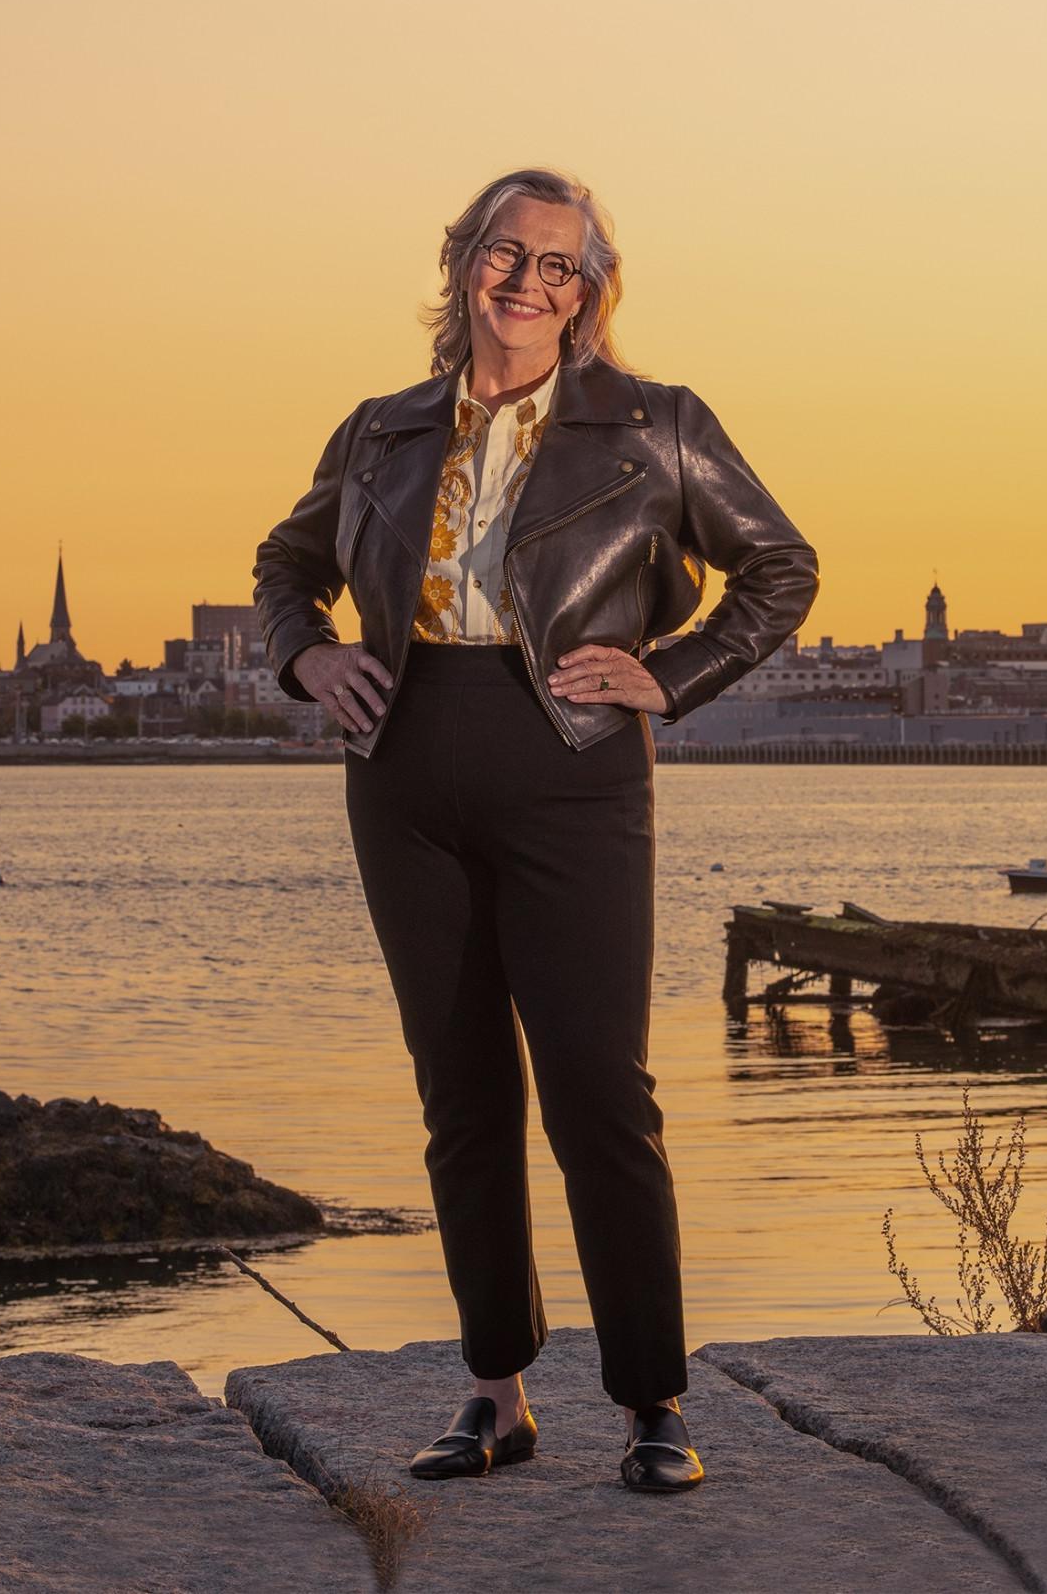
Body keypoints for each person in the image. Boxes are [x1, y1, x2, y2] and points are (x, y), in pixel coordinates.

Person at [252, 167, 817, 1493]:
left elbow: (781, 568)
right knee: (461, 1094)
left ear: (590, 291)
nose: (524, 279)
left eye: (556, 263)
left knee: (598, 1091)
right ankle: (495, 1393)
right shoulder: (382, 431)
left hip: (572, 762)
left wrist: (667, 677)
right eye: (504, 252)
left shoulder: (653, 426)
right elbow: (287, 566)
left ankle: (651, 1402)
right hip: (401, 769)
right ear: (463, 265)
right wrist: (308, 661)